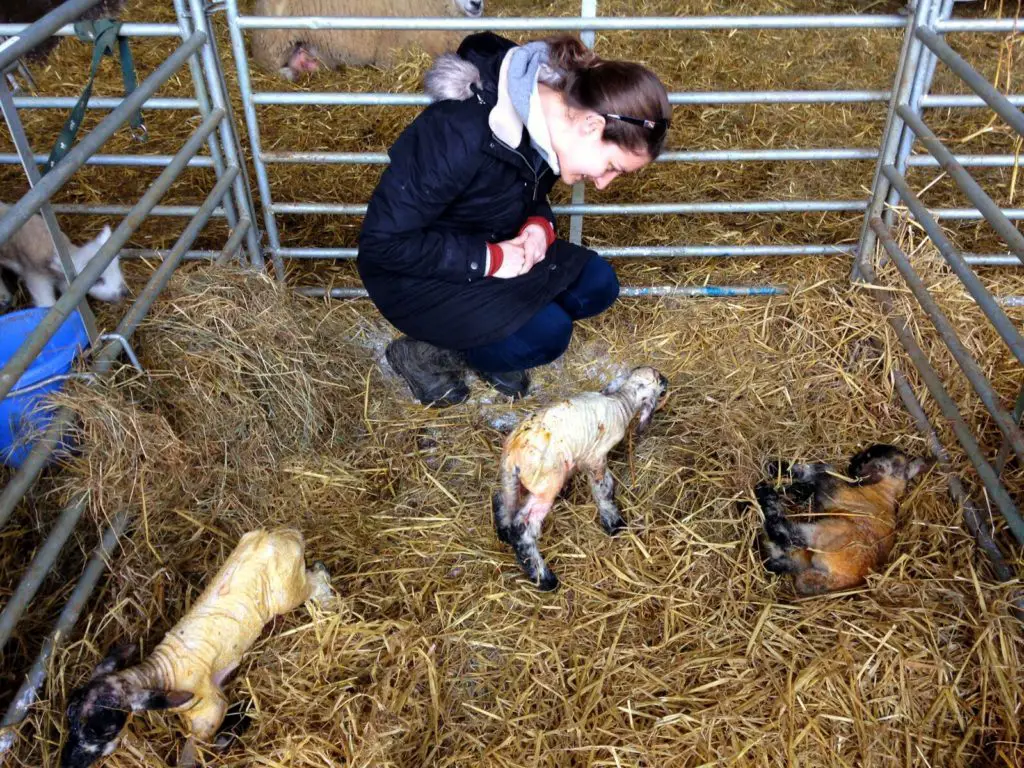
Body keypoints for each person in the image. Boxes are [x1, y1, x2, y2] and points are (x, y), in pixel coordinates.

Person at [357, 31, 671, 407]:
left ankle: (490, 340)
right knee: (547, 335)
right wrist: (491, 259)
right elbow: (383, 244)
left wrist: (539, 226)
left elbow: (523, 192)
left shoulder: (549, 116)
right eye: (611, 167)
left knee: (597, 283)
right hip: (420, 277)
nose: (604, 184)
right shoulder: (460, 131)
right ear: (591, 127)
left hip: (494, 245)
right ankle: (427, 352)